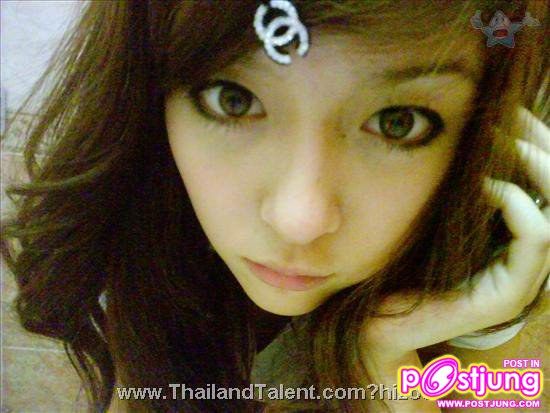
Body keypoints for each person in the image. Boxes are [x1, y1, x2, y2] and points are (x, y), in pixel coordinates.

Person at [1, 0, 548, 412]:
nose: (298, 220)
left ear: (482, 130)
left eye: (397, 122)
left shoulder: (486, 286)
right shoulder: (141, 222)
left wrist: (385, 364)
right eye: (233, 100)